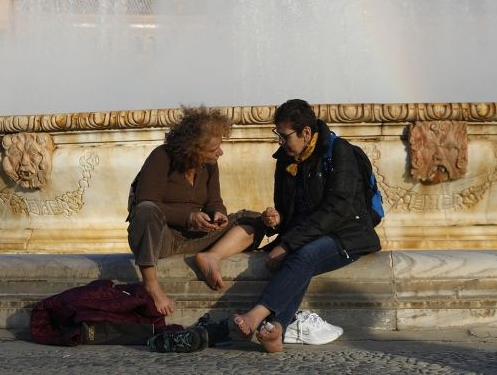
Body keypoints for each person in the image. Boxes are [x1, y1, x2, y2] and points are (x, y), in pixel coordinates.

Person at [180, 98, 381, 353]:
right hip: (311, 235)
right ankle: (275, 330)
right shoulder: (285, 159)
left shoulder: (340, 152)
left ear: (306, 132)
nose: (280, 142)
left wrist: (287, 244)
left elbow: (337, 208)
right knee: (299, 256)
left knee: (303, 255)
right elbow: (289, 211)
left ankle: (256, 316)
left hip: (348, 234)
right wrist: (277, 220)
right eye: (278, 134)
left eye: (284, 136)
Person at [127, 106, 264, 316]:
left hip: (194, 238)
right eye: (213, 149)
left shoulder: (209, 164)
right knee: (146, 210)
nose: (220, 152)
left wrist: (217, 214)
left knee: (254, 218)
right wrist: (189, 217)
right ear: (193, 148)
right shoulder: (161, 157)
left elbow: (214, 201)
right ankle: (151, 285)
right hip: (162, 239)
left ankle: (211, 257)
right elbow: (146, 202)